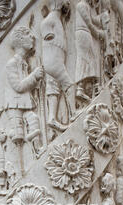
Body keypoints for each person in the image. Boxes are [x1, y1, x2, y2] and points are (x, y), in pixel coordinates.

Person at [4, 26, 44, 156]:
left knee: (33, 120)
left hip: (25, 103)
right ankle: (18, 171)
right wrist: (34, 76)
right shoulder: (12, 63)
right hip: (15, 105)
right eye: (27, 34)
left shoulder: (24, 63)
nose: (32, 36)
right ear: (20, 40)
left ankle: (37, 152)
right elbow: (18, 86)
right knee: (17, 136)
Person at [40, 0, 76, 131]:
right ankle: (73, 114)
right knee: (68, 84)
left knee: (53, 87)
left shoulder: (55, 20)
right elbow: (50, 40)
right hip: (54, 61)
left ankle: (52, 119)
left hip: (53, 60)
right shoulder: (50, 21)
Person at [75, 0, 106, 101]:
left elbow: (92, 19)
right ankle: (87, 87)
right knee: (87, 59)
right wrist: (97, 33)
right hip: (83, 33)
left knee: (89, 58)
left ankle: (89, 87)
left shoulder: (85, 6)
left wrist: (101, 18)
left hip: (85, 33)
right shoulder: (81, 5)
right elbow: (89, 23)